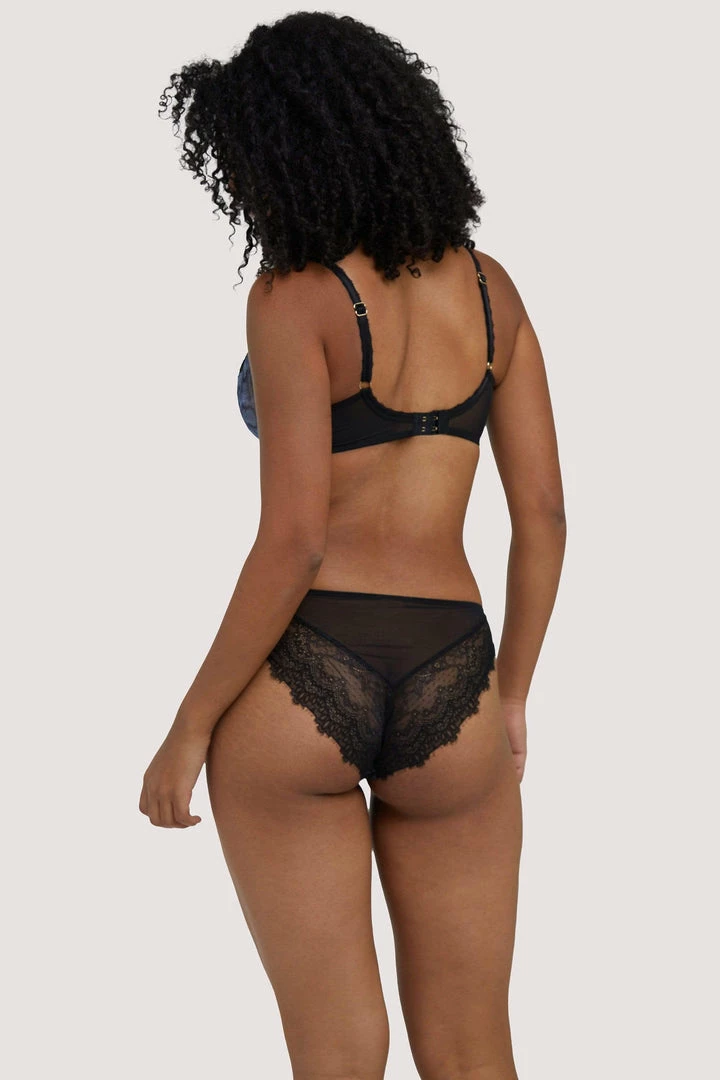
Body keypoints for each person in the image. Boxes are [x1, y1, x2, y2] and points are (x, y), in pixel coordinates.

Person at [139, 12, 566, 1080]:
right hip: (456, 675)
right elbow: (546, 517)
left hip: (307, 667)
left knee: (337, 1054)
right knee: (474, 1049)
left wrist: (188, 726)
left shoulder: (296, 298)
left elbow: (292, 542)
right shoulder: (493, 290)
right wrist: (513, 695)